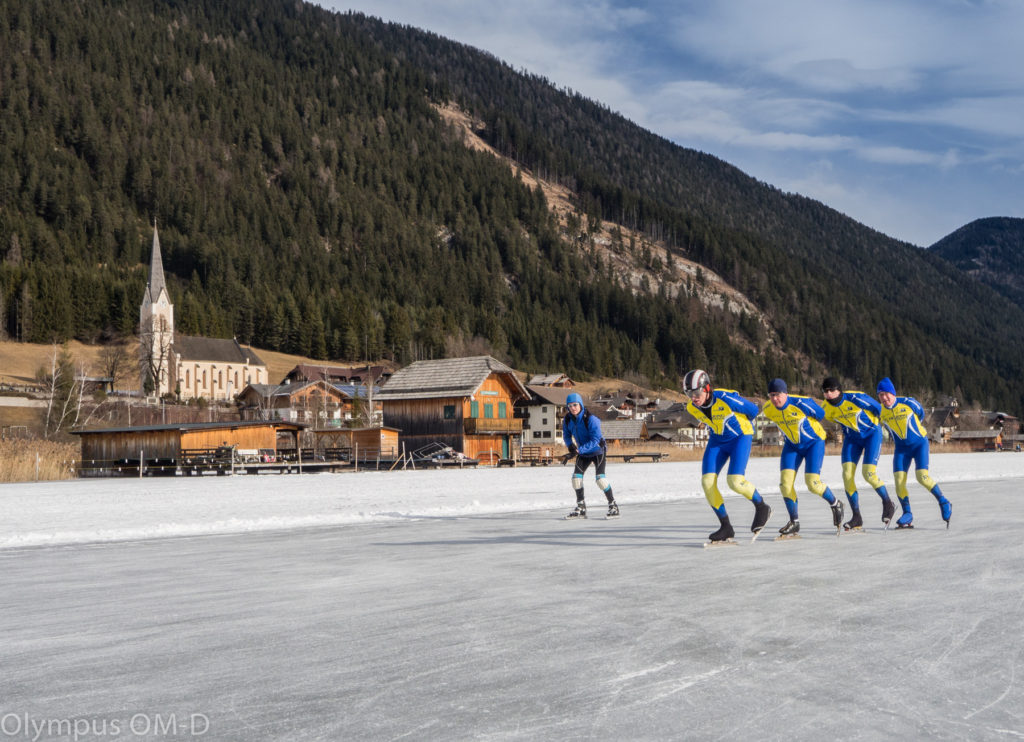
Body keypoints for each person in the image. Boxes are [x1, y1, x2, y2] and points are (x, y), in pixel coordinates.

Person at [683, 369, 772, 543]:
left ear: (707, 388)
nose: (694, 397)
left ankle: (762, 507)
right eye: (688, 394)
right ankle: (726, 527)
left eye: (697, 392)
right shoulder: (691, 407)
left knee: (735, 481)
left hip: (740, 437)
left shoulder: (725, 398)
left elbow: (753, 410)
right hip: (717, 441)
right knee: (707, 483)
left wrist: (739, 424)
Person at [761, 378, 844, 537]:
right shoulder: (768, 408)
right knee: (785, 484)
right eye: (771, 395)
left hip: (813, 443)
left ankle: (835, 504)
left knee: (812, 483)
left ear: (785, 393)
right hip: (792, 446)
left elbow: (820, 414)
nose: (775, 399)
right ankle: (794, 521)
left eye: (778, 394)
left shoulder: (800, 403)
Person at [820, 376, 896, 530]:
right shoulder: (826, 408)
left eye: (832, 390)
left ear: (839, 390)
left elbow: (880, 409)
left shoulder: (856, 398)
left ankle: (888, 502)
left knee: (868, 473)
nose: (829, 394)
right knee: (847, 475)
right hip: (852, 439)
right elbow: (833, 420)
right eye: (825, 391)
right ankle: (857, 516)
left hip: (871, 435)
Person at [876, 378, 952, 528]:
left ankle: (943, 501)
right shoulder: (880, 411)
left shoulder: (908, 402)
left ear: (893, 393)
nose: (884, 398)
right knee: (898, 480)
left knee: (922, 477)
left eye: (886, 394)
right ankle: (907, 513)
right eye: (880, 395)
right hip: (901, 449)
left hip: (919, 445)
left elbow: (921, 414)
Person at [561, 392, 617, 519]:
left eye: (575, 405)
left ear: (580, 404)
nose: (572, 408)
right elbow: (566, 434)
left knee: (600, 479)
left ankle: (613, 505)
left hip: (598, 451)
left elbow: (595, 440)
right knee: (576, 478)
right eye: (569, 406)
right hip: (583, 452)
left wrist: (579, 450)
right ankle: (581, 507)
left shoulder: (591, 419)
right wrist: (570, 446)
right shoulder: (568, 419)